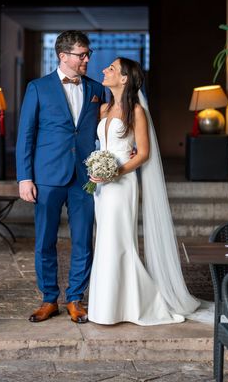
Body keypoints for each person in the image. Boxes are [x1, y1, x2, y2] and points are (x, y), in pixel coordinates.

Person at [88, 57, 201, 325]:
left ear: (125, 78)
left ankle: (135, 304)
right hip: (101, 187)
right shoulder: (103, 109)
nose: (105, 70)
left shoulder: (137, 112)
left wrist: (115, 172)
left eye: (112, 69)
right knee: (104, 241)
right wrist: (96, 169)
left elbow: (144, 154)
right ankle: (108, 306)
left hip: (121, 184)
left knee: (119, 242)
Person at [16, 30, 105, 324]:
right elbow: (25, 136)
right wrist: (24, 177)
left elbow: (107, 129)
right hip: (47, 176)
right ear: (63, 56)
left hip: (85, 177)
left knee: (83, 240)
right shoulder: (38, 88)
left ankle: (76, 299)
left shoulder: (96, 88)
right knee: (44, 241)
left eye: (87, 53)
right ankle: (48, 299)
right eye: (82, 55)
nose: (87, 59)